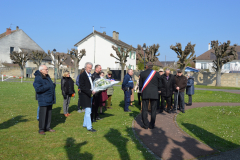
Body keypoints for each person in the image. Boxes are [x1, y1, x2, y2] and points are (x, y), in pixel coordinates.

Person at [33, 65, 56, 135]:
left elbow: (50, 85)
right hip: (43, 99)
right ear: (41, 70)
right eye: (46, 69)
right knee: (43, 115)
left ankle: (47, 127)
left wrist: (53, 85)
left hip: (49, 98)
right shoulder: (38, 78)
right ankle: (41, 129)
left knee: (49, 114)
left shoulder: (47, 76)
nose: (47, 70)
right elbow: (38, 89)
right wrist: (48, 86)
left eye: (47, 69)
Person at [139, 63, 161, 129]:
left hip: (145, 93)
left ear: (146, 66)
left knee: (144, 109)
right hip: (154, 93)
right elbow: (160, 84)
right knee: (153, 110)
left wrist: (141, 90)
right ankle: (152, 125)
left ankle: (145, 125)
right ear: (152, 67)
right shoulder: (157, 73)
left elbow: (140, 85)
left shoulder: (142, 73)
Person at [79, 62, 96, 132]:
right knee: (88, 111)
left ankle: (85, 124)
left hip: (90, 95)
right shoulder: (82, 75)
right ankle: (89, 127)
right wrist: (90, 91)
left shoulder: (90, 75)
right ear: (85, 67)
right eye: (89, 67)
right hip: (85, 95)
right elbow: (82, 87)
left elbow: (91, 84)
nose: (90, 69)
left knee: (88, 110)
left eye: (91, 68)